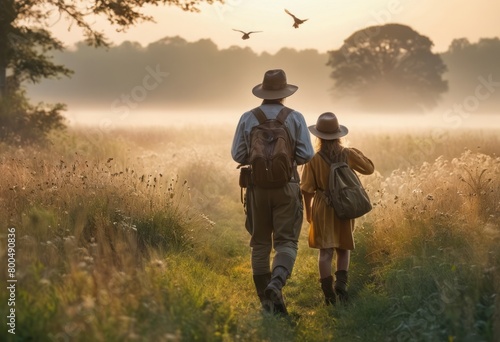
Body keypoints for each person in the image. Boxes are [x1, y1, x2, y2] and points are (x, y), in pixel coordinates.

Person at [231, 69, 314, 315]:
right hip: (287, 185)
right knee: (286, 241)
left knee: (259, 244)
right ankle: (276, 283)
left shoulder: (248, 117)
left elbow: (237, 154)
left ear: (263, 92)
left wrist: (259, 162)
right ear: (284, 93)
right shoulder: (295, 117)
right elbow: (307, 154)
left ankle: (269, 307)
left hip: (257, 187)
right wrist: (285, 162)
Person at [300, 112, 374, 306]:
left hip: (323, 208)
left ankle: (328, 295)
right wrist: (353, 150)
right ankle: (341, 286)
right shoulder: (347, 154)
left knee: (325, 253)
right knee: (343, 248)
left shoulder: (313, 159)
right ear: (339, 134)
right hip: (345, 206)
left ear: (318, 136)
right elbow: (369, 168)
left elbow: (306, 189)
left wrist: (309, 213)